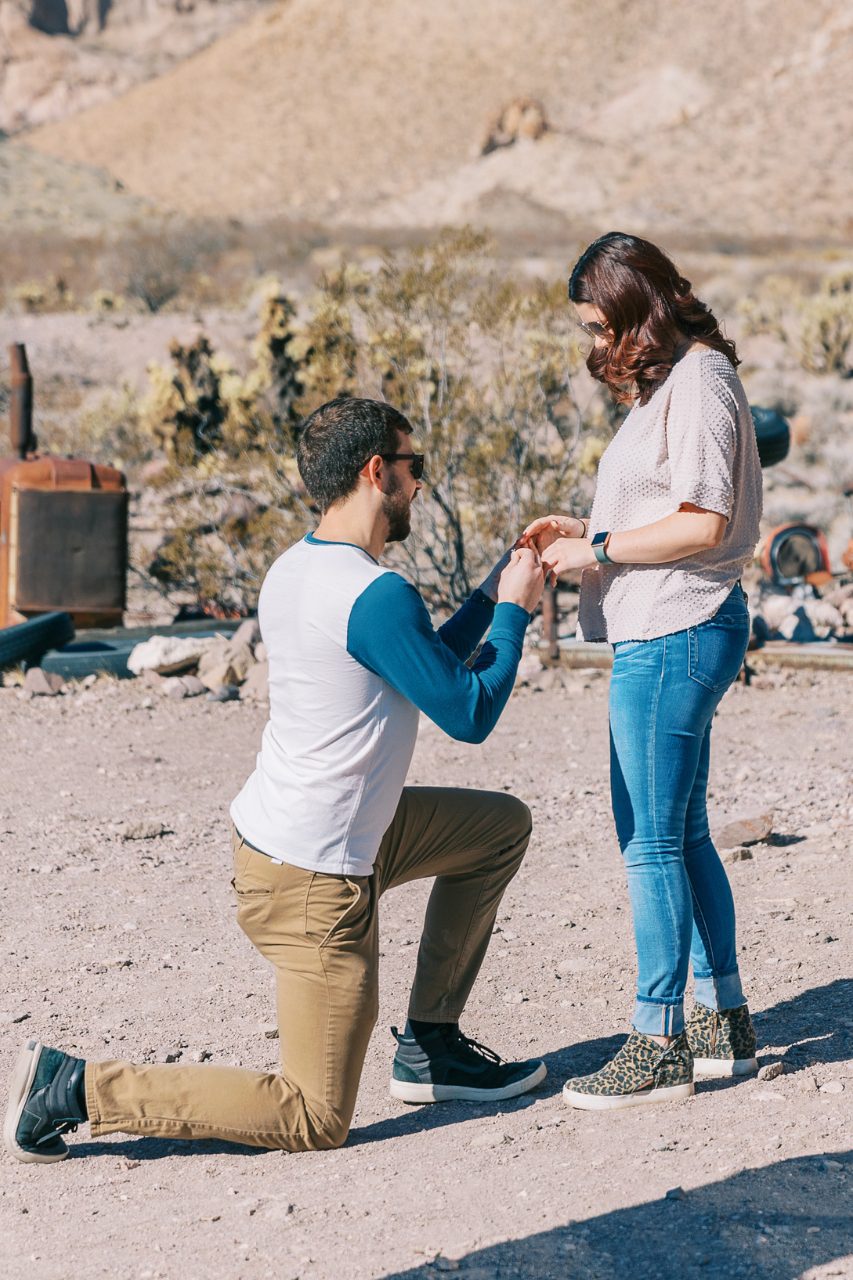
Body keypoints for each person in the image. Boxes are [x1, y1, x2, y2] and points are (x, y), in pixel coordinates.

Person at [6, 396, 547, 1164]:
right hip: (315, 881)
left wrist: (497, 589)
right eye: (412, 467)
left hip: (318, 837)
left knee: (497, 829)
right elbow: (466, 712)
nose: (419, 485)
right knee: (313, 1115)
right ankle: (76, 1088)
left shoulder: (302, 568)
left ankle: (431, 1048)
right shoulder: (373, 592)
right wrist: (517, 615)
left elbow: (420, 664)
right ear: (374, 471)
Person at [522, 232, 763, 1110]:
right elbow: (669, 506)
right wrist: (586, 530)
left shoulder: (698, 380)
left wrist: (597, 550)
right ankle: (721, 1022)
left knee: (649, 839)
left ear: (636, 309)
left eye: (598, 323)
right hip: (674, 626)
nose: (593, 342)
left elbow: (703, 522)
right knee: (680, 832)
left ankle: (657, 1038)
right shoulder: (683, 381)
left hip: (675, 626)